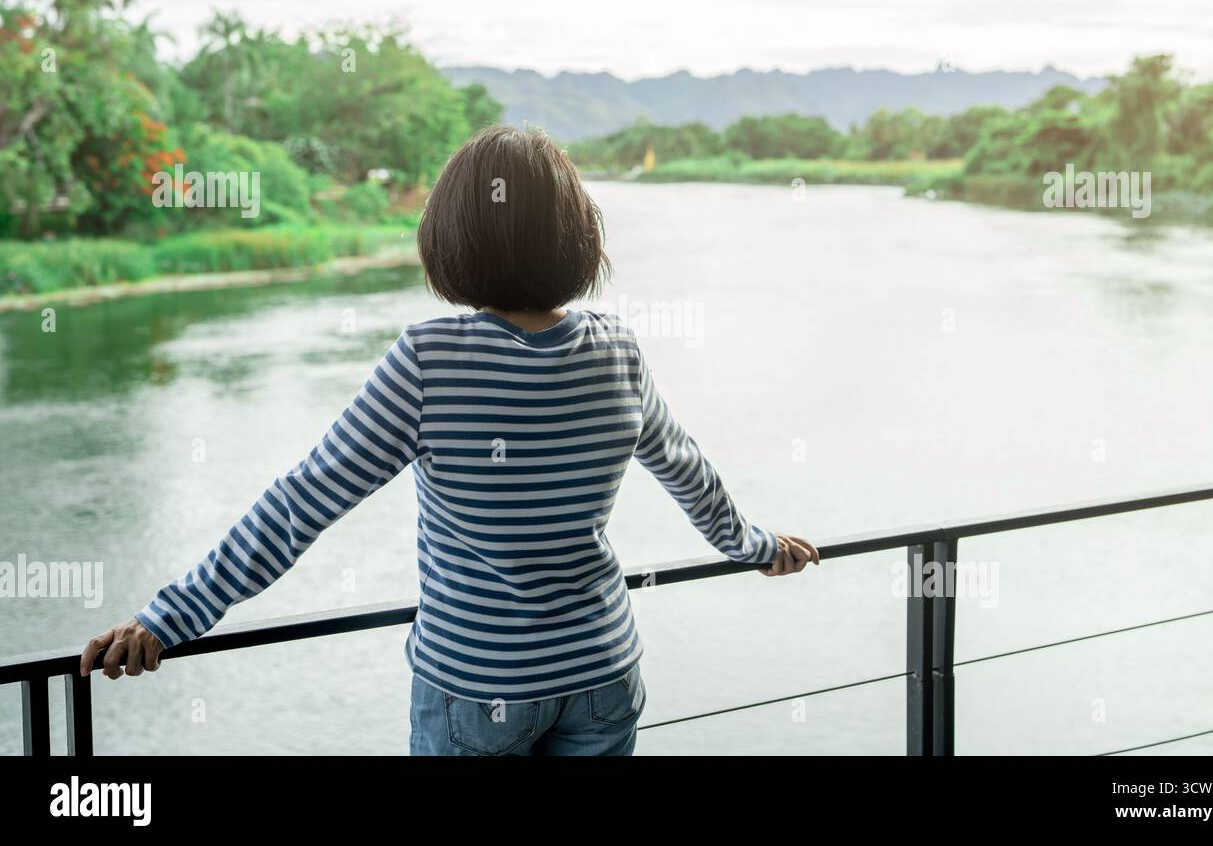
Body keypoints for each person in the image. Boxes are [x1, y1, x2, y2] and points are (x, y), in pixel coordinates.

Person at [80, 125, 820, 755]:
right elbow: (687, 470)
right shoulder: (615, 349)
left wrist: (168, 618)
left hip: (477, 689)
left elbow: (304, 500)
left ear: (452, 236)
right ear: (579, 234)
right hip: (602, 673)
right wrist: (758, 547)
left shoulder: (431, 360)